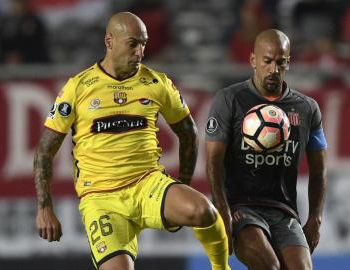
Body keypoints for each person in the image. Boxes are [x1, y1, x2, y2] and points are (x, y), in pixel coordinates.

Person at [34, 12, 230, 270]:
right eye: (133, 44)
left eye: (144, 44)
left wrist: (182, 183)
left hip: (147, 183)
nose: (140, 52)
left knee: (201, 210)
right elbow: (45, 151)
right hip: (101, 198)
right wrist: (44, 207)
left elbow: (188, 132)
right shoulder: (78, 87)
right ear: (110, 41)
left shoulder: (157, 83)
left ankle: (221, 267)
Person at [205, 29, 327, 270]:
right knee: (269, 266)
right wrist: (223, 210)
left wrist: (315, 218)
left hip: (283, 211)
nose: (273, 69)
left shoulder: (307, 109)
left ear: (288, 63)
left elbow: (319, 169)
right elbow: (213, 161)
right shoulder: (230, 100)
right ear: (253, 60)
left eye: (280, 62)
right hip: (241, 206)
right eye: (267, 61)